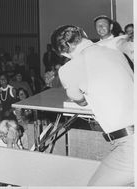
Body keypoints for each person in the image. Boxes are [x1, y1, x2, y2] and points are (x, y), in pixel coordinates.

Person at [51, 25, 133, 186]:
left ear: (64, 53)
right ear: (85, 34)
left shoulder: (68, 69)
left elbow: (80, 100)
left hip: (130, 144)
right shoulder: (115, 51)